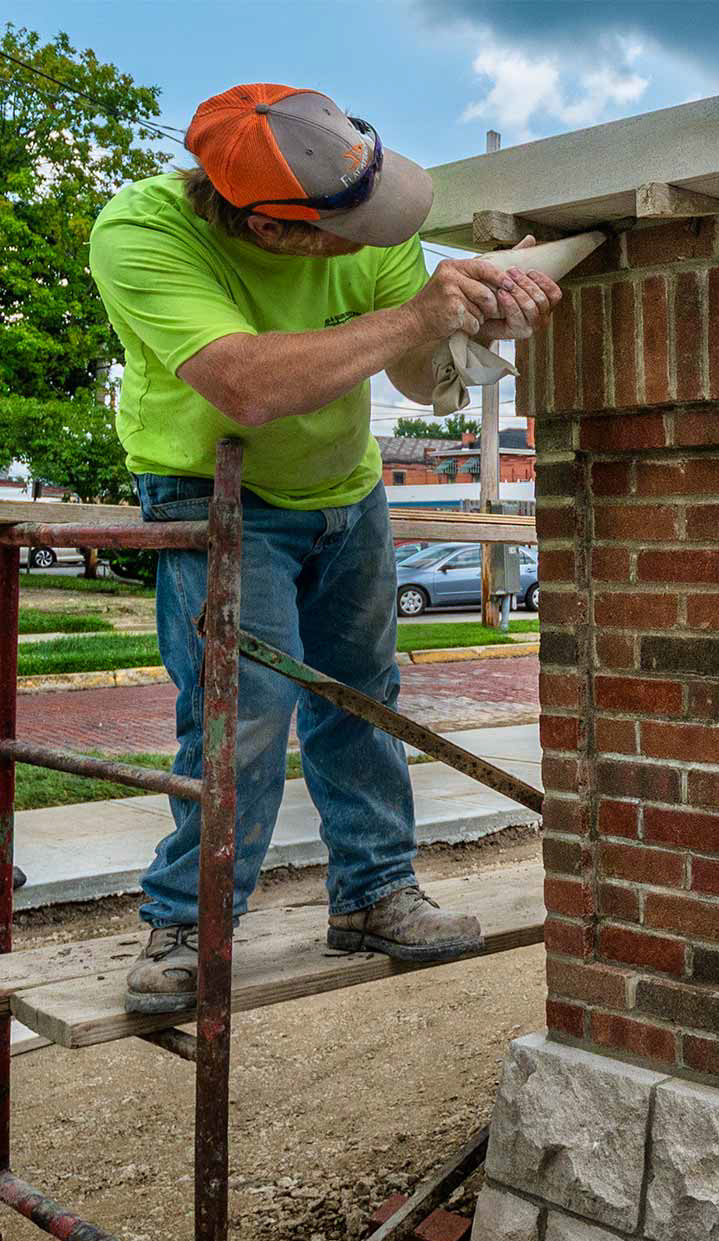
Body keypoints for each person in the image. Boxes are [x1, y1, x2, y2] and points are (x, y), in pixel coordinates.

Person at [86, 84, 560, 1013]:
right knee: (244, 708)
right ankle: (188, 919)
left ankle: (376, 891)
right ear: (275, 230)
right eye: (356, 226)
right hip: (213, 493)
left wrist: (470, 329)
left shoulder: (369, 227)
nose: (384, 236)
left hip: (344, 489)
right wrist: (422, 316)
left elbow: (419, 377)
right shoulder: (142, 233)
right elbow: (244, 384)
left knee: (362, 698)